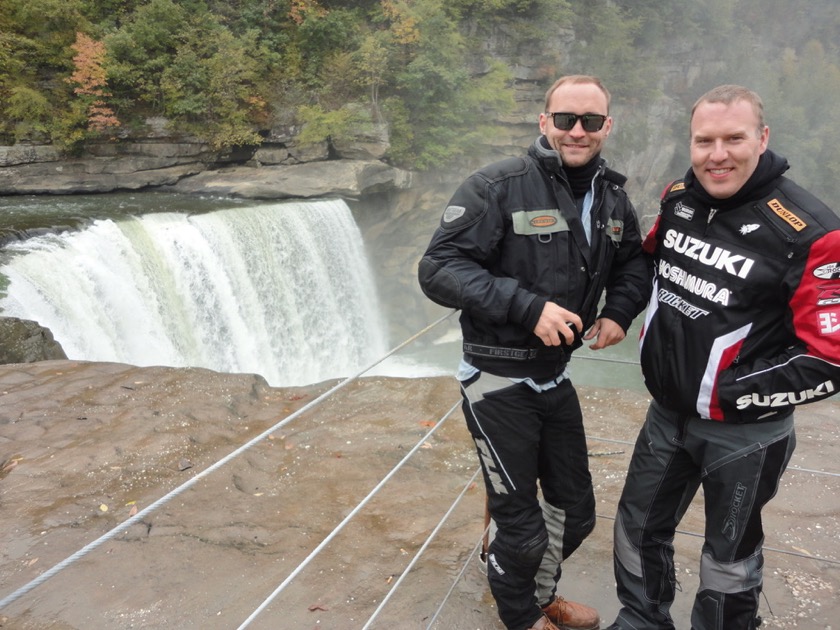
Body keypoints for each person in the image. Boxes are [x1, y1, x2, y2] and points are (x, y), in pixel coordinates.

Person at [418, 75, 650, 630]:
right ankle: (521, 617)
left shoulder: (612, 198)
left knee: (577, 514)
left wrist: (619, 310)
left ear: (606, 128)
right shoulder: (498, 185)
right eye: (565, 119)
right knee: (521, 527)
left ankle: (540, 593)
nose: (577, 131)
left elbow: (635, 263)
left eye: (590, 122)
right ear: (544, 122)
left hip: (552, 378)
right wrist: (527, 307)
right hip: (496, 380)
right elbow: (438, 268)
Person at [608, 84, 840, 630]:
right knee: (636, 526)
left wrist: (727, 393)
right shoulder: (679, 198)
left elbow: (831, 358)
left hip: (744, 433)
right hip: (667, 413)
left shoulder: (812, 234)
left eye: (733, 138)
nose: (718, 155)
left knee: (728, 555)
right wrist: (618, 313)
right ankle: (641, 621)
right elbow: (648, 265)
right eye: (703, 141)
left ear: (762, 138)